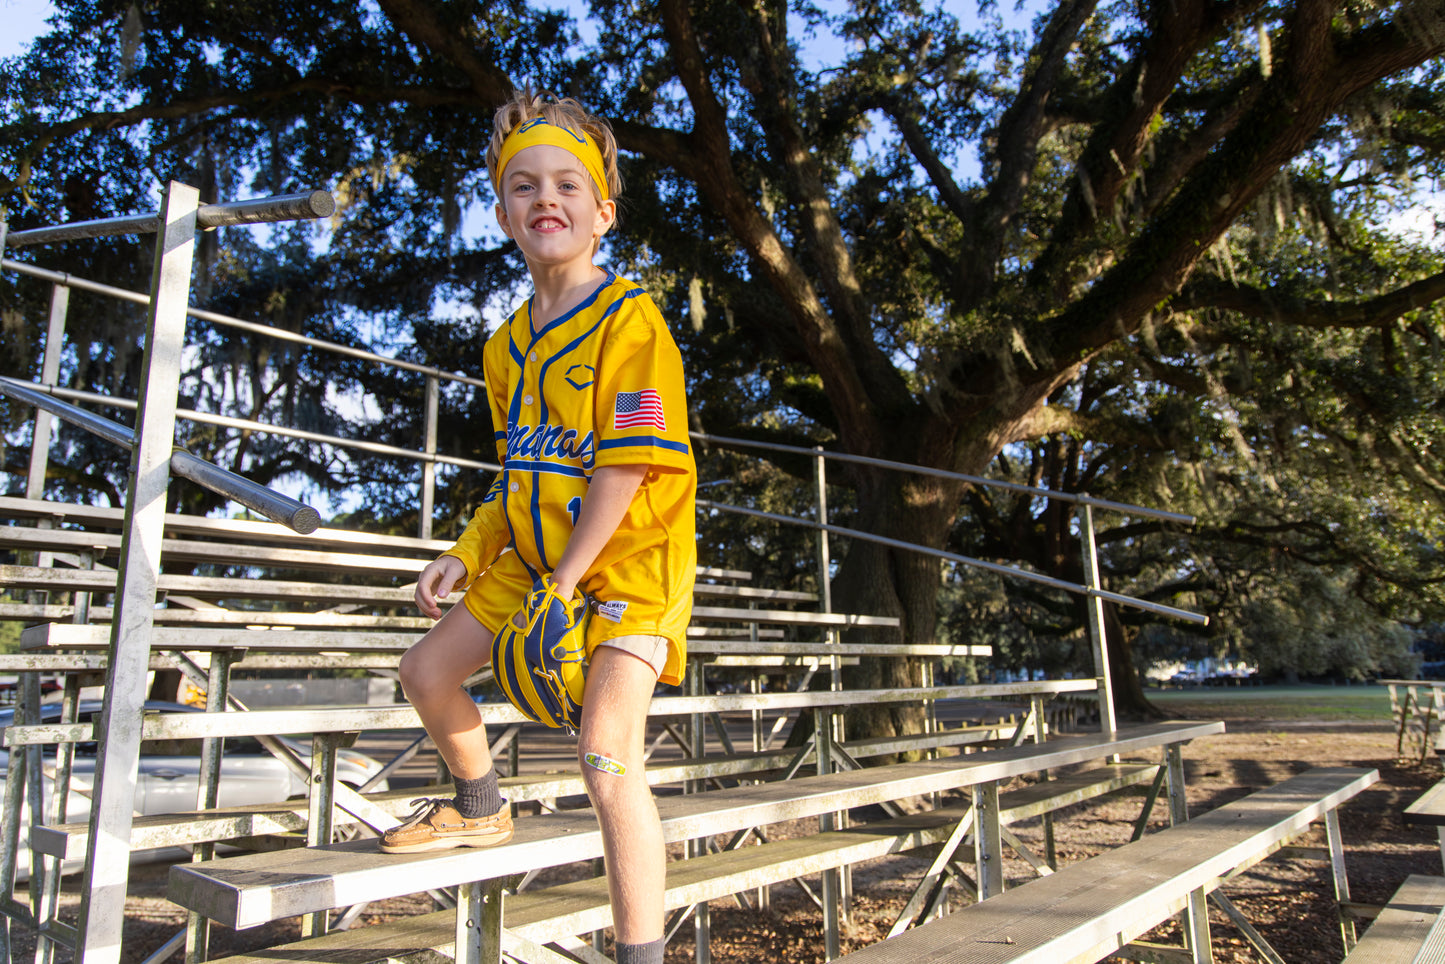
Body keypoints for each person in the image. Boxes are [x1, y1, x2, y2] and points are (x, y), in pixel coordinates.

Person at [378, 89, 697, 964]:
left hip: (630, 562)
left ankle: (642, 954)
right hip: (535, 556)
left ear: (602, 212)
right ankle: (480, 806)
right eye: (523, 186)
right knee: (424, 670)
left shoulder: (631, 319)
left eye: (566, 182)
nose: (544, 197)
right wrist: (466, 551)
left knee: (605, 758)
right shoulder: (503, 346)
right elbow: (520, 473)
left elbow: (625, 467)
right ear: (503, 213)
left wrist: (562, 588)